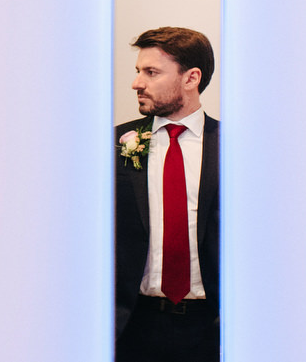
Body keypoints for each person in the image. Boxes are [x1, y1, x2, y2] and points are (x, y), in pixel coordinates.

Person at [114, 27, 219, 362]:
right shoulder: (112, 144)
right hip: (131, 325)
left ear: (191, 78)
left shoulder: (239, 148)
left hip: (211, 329)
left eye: (152, 72)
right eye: (138, 71)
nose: (137, 83)